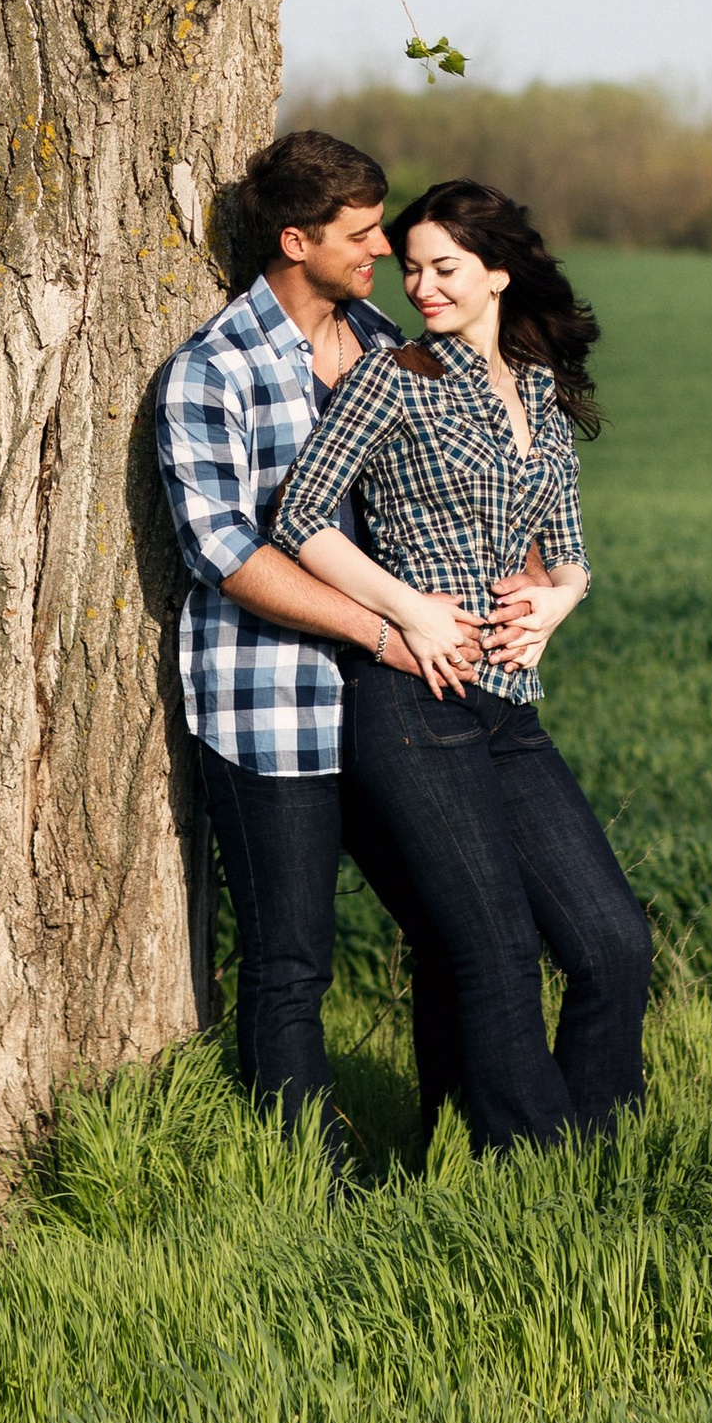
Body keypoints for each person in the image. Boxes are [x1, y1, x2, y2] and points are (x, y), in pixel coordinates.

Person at [273, 177, 651, 1153]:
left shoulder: (536, 390)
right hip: (412, 700)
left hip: (508, 710)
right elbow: (301, 516)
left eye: (443, 268)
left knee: (611, 943)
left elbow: (566, 554)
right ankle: (534, 1176)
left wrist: (560, 603)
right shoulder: (395, 377)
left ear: (496, 273)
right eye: (411, 269)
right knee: (494, 951)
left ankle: (601, 1157)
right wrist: (405, 610)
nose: (423, 286)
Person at [154, 129, 464, 1171]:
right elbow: (224, 552)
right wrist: (379, 627)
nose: (383, 250)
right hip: (269, 707)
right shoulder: (212, 369)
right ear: (296, 240)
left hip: (395, 705)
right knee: (290, 964)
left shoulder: (387, 349)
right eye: (362, 233)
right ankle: (310, 1186)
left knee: (454, 929)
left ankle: (451, 1153)